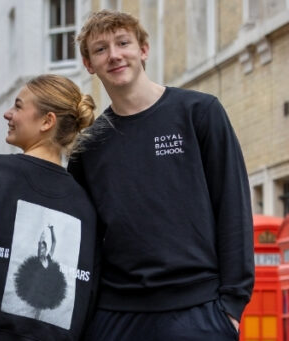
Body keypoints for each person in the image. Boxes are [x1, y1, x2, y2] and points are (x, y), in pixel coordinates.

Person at [69, 10, 253, 340]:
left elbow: (233, 205)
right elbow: (84, 239)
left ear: (143, 49)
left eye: (123, 43)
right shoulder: (89, 147)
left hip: (199, 311)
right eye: (100, 49)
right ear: (88, 64)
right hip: (114, 316)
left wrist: (232, 306)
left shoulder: (199, 112)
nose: (114, 55)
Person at [0, 74, 98, 340]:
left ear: (47, 121)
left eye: (18, 106)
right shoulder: (87, 205)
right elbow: (88, 299)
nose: (7, 114)